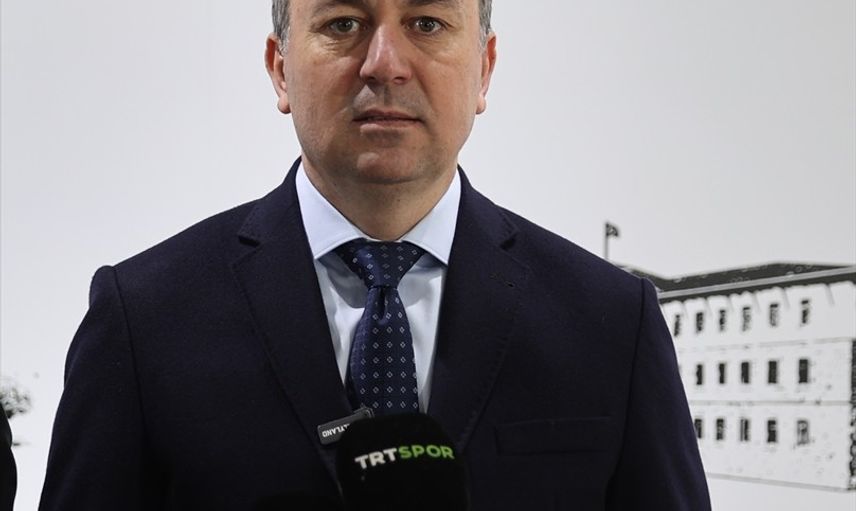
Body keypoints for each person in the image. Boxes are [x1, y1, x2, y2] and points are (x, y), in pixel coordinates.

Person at [40, 1, 711, 509]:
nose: (384, 63)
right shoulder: (143, 318)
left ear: (484, 68)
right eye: (343, 24)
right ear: (280, 68)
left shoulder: (613, 323)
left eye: (426, 23)